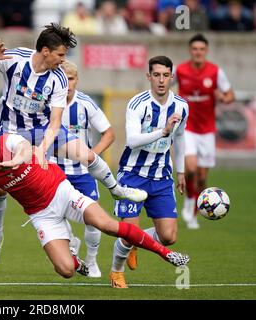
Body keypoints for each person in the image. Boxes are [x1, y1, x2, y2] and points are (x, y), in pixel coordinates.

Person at [0, 23, 147, 269]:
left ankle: (116, 190)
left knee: (86, 154)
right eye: (61, 54)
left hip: (42, 131)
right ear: (46, 50)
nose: (63, 60)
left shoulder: (59, 78)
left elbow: (56, 121)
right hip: (8, 132)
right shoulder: (15, 60)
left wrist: (42, 147)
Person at [0, 129, 190, 279]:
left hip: (61, 192)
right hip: (40, 214)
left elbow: (25, 148)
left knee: (107, 226)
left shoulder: (8, 141)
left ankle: (166, 254)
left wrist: (13, 161)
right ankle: (73, 257)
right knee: (66, 271)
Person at [109, 56, 189, 288]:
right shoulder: (137, 104)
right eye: (156, 75)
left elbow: (181, 136)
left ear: (171, 77)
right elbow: (133, 141)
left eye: (166, 75)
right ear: (149, 77)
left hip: (161, 176)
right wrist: (162, 132)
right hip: (133, 175)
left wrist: (181, 172)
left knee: (169, 237)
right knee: (128, 231)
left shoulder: (181, 105)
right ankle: (116, 272)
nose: (161, 80)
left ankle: (137, 240)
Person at [51, 60, 115, 278]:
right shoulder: (47, 103)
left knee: (93, 218)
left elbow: (109, 133)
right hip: (55, 171)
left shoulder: (86, 103)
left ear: (77, 80)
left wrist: (92, 157)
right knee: (53, 214)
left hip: (82, 173)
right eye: (63, 78)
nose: (68, 84)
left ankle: (91, 260)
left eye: (71, 78)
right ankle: (71, 241)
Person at [174, 34, 235, 230]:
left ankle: (193, 214)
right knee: (190, 168)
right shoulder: (180, 70)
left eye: (201, 49)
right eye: (194, 49)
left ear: (206, 51)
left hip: (207, 130)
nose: (198, 52)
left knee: (201, 177)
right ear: (190, 51)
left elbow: (230, 94)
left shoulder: (216, 72)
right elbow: (165, 85)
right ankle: (190, 201)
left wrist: (224, 98)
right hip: (187, 126)